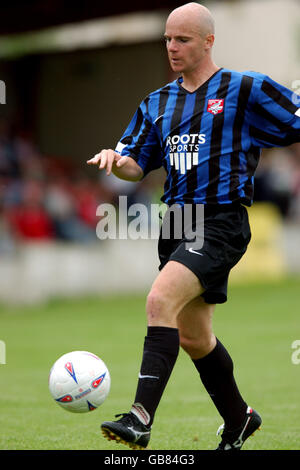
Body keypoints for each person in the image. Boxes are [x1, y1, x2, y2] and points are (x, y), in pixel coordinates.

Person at [87, 2, 300, 450]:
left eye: (182, 39)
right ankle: (239, 419)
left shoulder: (245, 88)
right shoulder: (157, 102)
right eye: (167, 38)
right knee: (193, 336)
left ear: (209, 41)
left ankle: (140, 419)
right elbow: (134, 164)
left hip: (220, 220)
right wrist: (114, 160)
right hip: (176, 221)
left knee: (158, 300)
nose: (172, 47)